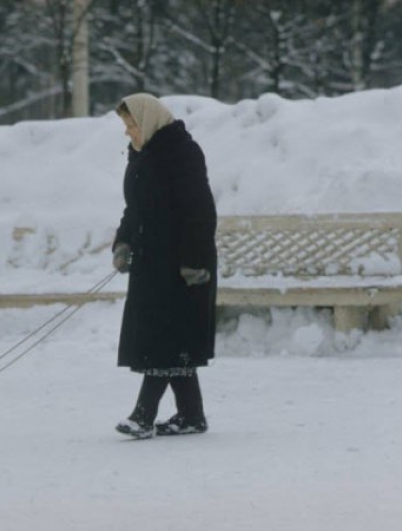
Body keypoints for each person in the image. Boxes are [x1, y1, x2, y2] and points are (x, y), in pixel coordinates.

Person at [112, 93, 218, 439]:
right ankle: (191, 415)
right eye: (126, 125)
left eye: (132, 124)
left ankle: (143, 416)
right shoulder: (142, 156)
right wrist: (123, 243)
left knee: (164, 338)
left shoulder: (181, 153)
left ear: (149, 120)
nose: (128, 132)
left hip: (181, 266)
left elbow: (199, 212)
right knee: (173, 341)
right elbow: (135, 210)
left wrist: (194, 263)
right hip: (151, 264)